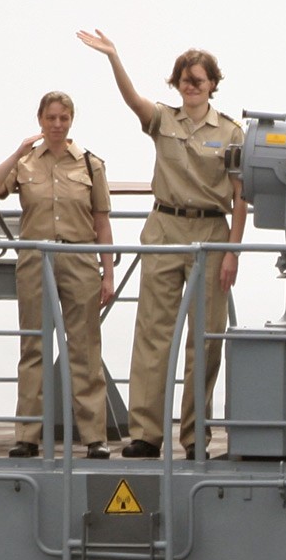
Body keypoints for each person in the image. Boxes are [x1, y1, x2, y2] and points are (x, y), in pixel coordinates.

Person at [78, 32, 246, 458]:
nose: (191, 85)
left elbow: (240, 196)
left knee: (205, 339)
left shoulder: (231, 132)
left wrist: (233, 252)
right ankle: (148, 434)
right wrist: (114, 57)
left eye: (198, 79)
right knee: (153, 335)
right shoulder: (163, 120)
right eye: (184, 79)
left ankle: (195, 437)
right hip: (165, 229)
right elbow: (133, 99)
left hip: (210, 234)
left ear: (212, 84)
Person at [0, 92, 115, 459]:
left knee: (84, 348)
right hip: (36, 260)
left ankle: (93, 436)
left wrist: (108, 275)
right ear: (40, 119)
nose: (57, 124)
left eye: (63, 118)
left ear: (72, 119)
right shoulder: (25, 162)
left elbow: (102, 223)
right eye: (50, 118)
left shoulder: (90, 164)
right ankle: (27, 434)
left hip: (79, 258)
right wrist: (17, 150)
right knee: (34, 347)